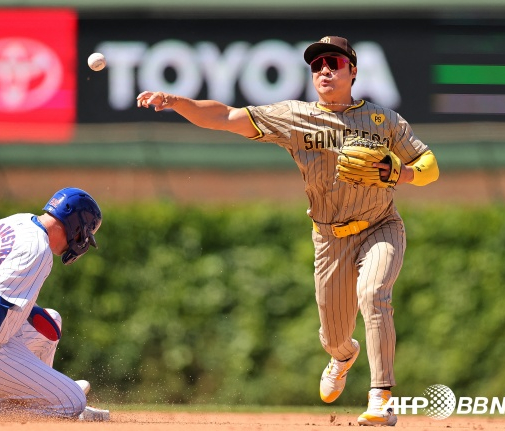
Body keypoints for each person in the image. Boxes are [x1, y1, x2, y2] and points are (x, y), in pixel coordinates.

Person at [137, 35, 439, 426]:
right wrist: (178, 102)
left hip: (381, 226)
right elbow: (225, 117)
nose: (325, 70)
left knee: (374, 293)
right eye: (317, 65)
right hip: (330, 238)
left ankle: (381, 398)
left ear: (353, 71)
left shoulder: (383, 120)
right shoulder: (294, 116)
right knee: (333, 336)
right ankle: (343, 356)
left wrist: (405, 173)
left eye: (334, 62)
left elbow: (430, 164)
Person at [0, 187, 109, 421]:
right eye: (84, 233)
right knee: (74, 402)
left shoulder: (15, 222)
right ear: (77, 227)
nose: (82, 240)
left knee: (51, 321)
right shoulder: (38, 249)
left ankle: (46, 397)